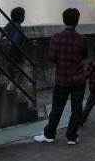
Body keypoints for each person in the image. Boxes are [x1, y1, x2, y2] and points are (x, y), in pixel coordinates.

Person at [34, 8, 87, 145]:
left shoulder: (56, 38)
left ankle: (50, 134)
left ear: (64, 20)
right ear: (77, 21)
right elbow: (84, 56)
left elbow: (52, 57)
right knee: (76, 108)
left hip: (62, 79)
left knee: (57, 107)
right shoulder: (82, 39)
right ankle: (71, 136)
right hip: (78, 79)